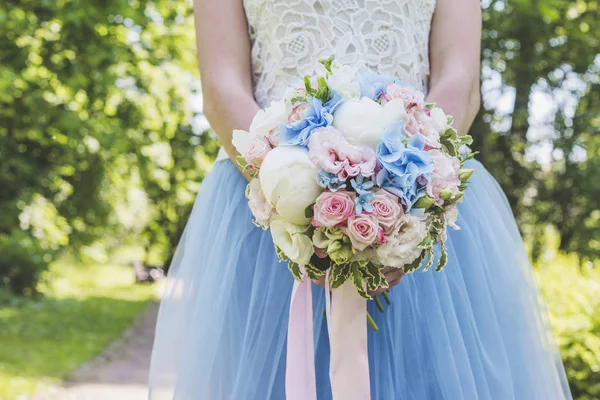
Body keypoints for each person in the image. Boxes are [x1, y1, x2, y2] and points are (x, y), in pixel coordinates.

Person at [148, 0, 573, 398]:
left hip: (420, 200)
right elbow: (222, 88)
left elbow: (458, 82)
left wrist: (402, 196)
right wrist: (296, 200)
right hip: (266, 212)